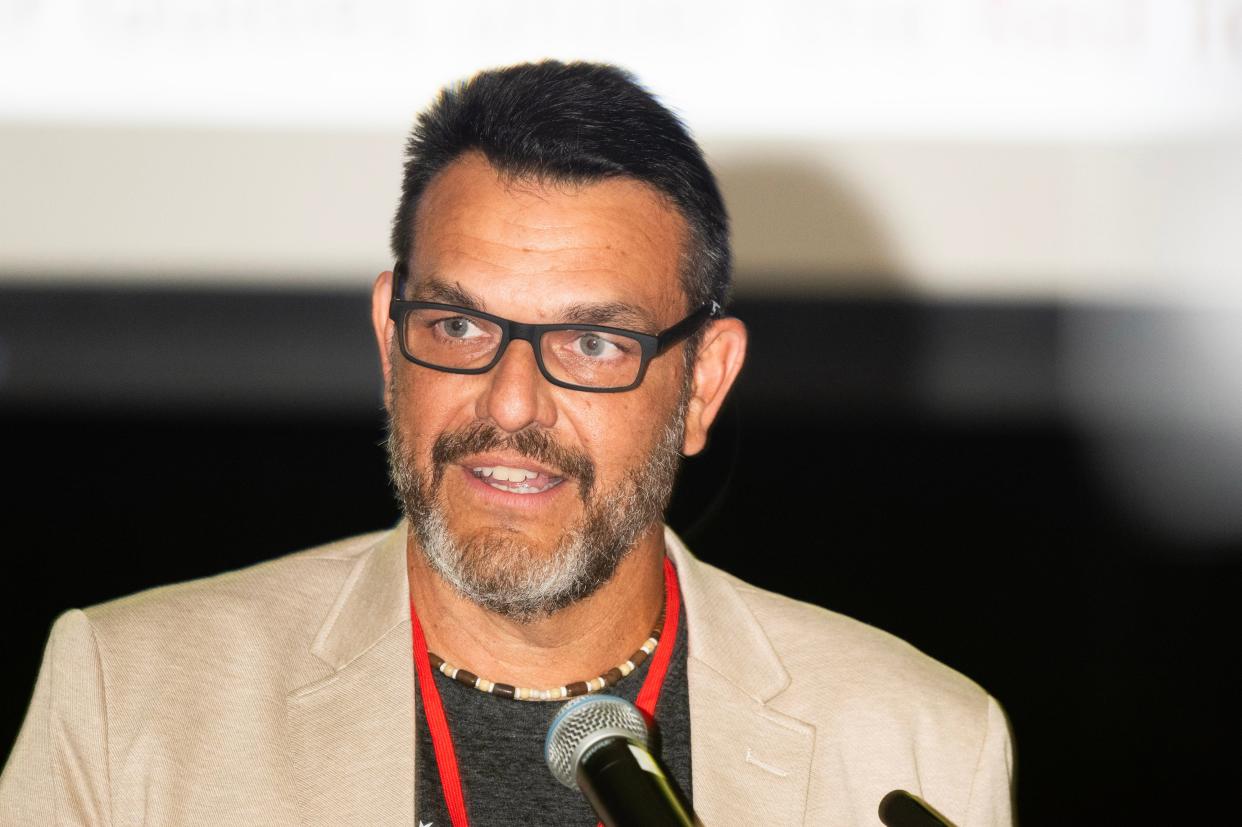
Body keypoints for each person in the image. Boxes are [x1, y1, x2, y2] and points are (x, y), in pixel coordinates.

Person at [0, 61, 1013, 826]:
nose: (513, 402)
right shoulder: (128, 696)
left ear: (703, 382)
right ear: (389, 338)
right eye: (459, 327)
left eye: (591, 340)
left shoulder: (915, 743)